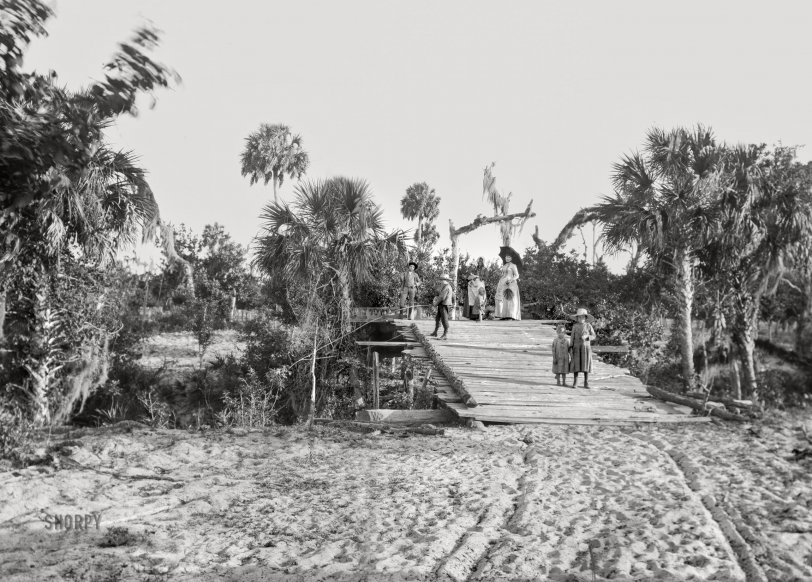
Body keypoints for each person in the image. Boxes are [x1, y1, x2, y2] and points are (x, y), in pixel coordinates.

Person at [569, 308, 596, 388]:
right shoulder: (575, 326)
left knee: (586, 364)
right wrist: (571, 346)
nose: (581, 319)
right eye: (579, 317)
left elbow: (593, 336)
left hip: (586, 348)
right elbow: (572, 337)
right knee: (576, 364)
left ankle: (586, 382)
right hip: (576, 348)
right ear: (577, 318)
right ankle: (575, 381)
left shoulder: (588, 326)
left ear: (586, 318)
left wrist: (587, 336)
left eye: (583, 317)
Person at [495, 254, 521, 320]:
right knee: (504, 299)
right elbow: (504, 274)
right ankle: (504, 315)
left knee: (511, 299)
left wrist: (511, 280)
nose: (507, 258)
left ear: (511, 258)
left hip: (511, 284)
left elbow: (517, 275)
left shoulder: (513, 265)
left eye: (509, 257)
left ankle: (511, 315)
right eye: (506, 257)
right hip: (504, 283)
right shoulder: (504, 266)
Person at [429, 273, 452, 340]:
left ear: (446, 280)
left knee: (444, 319)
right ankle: (435, 332)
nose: (441, 281)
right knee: (437, 318)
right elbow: (440, 295)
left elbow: (442, 297)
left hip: (445, 305)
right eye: (441, 279)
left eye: (442, 279)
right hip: (441, 304)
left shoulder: (447, 287)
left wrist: (435, 304)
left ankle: (445, 334)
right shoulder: (444, 286)